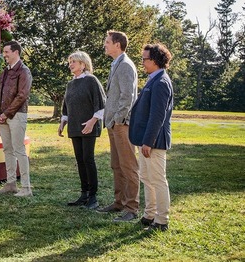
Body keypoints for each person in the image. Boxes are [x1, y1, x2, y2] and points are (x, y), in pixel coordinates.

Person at [129, 43, 174, 232]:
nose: (142, 62)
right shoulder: (152, 79)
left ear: (155, 61)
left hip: (154, 141)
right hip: (145, 140)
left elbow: (158, 116)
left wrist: (148, 142)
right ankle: (149, 214)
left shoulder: (161, 82)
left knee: (157, 179)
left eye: (144, 59)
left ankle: (162, 220)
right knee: (146, 177)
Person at [97, 30, 140, 222]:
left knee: (128, 166)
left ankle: (131, 208)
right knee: (116, 165)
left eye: (107, 42)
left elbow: (127, 97)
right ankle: (118, 202)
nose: (104, 44)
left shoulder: (125, 66)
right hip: (114, 124)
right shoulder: (116, 64)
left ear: (117, 44)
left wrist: (118, 119)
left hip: (122, 124)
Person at [58, 51, 106, 210]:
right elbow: (67, 106)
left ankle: (93, 196)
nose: (70, 64)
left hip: (89, 126)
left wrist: (92, 122)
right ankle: (84, 193)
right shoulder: (70, 84)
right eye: (70, 62)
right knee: (80, 160)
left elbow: (101, 104)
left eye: (74, 62)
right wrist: (63, 122)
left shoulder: (92, 81)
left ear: (83, 64)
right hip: (75, 126)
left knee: (88, 159)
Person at [0, 41, 34, 197]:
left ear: (16, 52)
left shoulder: (24, 71)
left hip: (17, 115)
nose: (4, 55)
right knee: (7, 150)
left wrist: (6, 113)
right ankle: (11, 184)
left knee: (19, 150)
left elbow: (22, 95)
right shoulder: (4, 73)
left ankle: (26, 187)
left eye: (6, 52)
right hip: (3, 116)